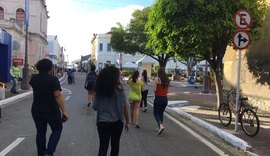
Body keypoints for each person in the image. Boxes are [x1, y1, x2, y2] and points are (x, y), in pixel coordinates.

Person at [29, 58, 69, 156]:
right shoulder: (53, 79)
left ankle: (41, 154)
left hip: (37, 109)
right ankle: (49, 151)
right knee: (57, 129)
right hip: (51, 109)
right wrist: (64, 111)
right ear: (50, 68)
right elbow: (57, 95)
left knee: (40, 132)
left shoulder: (34, 78)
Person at [92, 66, 129, 156]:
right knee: (115, 146)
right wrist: (128, 121)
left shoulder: (99, 90)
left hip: (102, 122)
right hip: (117, 123)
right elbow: (125, 107)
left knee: (103, 147)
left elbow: (95, 107)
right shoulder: (120, 90)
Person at [153, 68, 170, 135]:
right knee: (161, 113)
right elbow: (167, 91)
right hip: (165, 99)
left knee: (155, 113)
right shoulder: (167, 80)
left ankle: (160, 125)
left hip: (158, 98)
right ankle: (159, 127)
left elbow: (155, 90)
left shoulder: (157, 79)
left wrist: (156, 93)